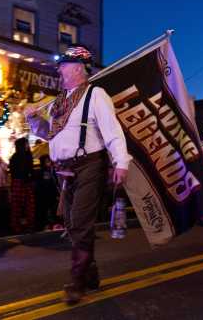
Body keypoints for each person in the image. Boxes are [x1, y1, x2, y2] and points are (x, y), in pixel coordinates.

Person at [25, 45, 130, 304]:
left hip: (88, 166)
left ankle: (77, 281)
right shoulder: (59, 101)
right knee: (73, 226)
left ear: (77, 68)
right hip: (64, 170)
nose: (59, 70)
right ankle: (91, 275)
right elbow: (48, 133)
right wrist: (33, 119)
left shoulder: (97, 95)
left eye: (63, 65)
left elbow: (113, 131)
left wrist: (121, 162)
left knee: (81, 222)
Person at [9, 137, 35, 234]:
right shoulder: (15, 157)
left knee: (29, 205)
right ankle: (17, 227)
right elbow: (14, 172)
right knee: (17, 206)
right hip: (19, 182)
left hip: (25, 183)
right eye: (26, 144)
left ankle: (29, 225)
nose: (28, 146)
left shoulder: (28, 156)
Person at [35, 155, 60, 231]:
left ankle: (53, 224)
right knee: (45, 210)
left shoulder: (52, 170)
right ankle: (46, 225)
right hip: (44, 195)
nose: (49, 163)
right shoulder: (42, 172)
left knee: (53, 209)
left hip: (51, 194)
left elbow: (55, 183)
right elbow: (42, 184)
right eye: (47, 161)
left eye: (49, 161)